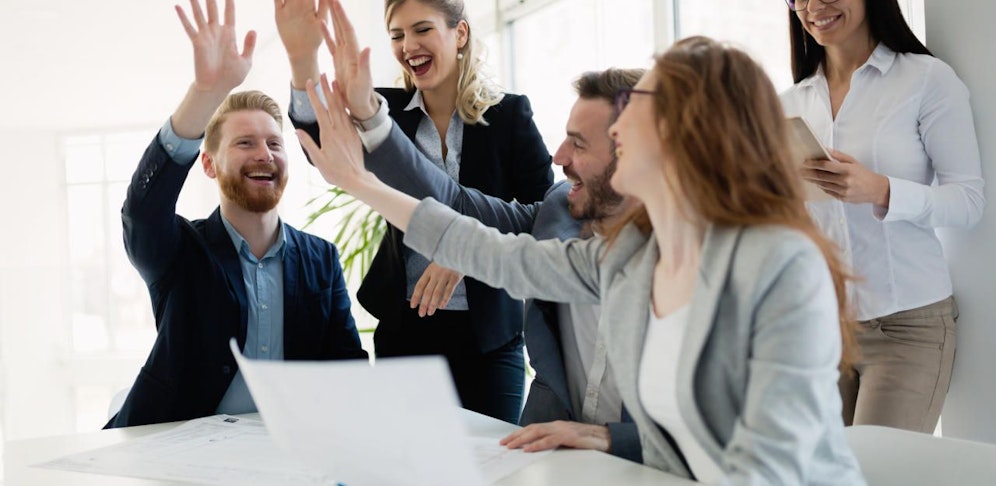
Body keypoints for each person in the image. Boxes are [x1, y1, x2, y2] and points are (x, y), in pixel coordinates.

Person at [297, 36, 865, 483]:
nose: (618, 127)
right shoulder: (631, 259)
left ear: (685, 135)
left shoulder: (779, 264)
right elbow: (491, 252)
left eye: (636, 108)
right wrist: (356, 181)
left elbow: (769, 465)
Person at [349, 63, 646, 460]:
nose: (559, 157)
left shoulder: (696, 261)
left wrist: (613, 439)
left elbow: (725, 438)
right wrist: (365, 145)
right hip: (550, 447)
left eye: (579, 143)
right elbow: (454, 204)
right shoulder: (556, 210)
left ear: (635, 151)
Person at [276, 0, 552, 424]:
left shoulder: (510, 115)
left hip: (489, 337)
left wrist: (465, 251)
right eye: (397, 35)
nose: (409, 46)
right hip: (407, 329)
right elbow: (320, 144)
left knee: (489, 465)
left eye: (422, 30)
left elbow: (546, 216)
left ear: (459, 34)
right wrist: (302, 58)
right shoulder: (382, 113)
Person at [106, 0, 367, 429]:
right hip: (181, 450)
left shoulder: (322, 259)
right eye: (245, 143)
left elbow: (347, 372)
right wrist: (205, 94)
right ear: (209, 165)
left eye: (274, 143)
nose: (263, 153)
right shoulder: (179, 252)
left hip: (287, 452)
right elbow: (143, 210)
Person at [780, 0, 985, 433]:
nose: (814, 6)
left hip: (907, 328)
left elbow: (969, 201)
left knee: (881, 474)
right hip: (821, 329)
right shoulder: (789, 103)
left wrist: (883, 190)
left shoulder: (926, 80)